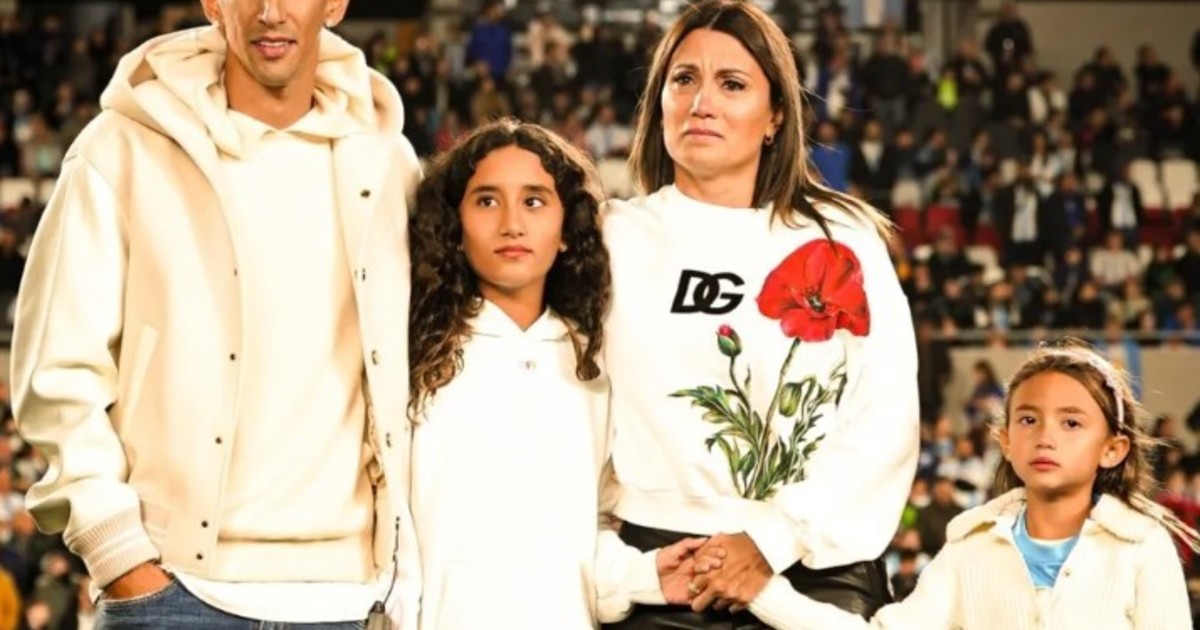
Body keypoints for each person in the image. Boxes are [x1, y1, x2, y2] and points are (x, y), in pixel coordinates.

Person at [10, 0, 421, 627]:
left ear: (336, 4)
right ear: (212, 4)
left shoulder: (389, 164)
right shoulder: (120, 148)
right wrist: (118, 554)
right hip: (173, 591)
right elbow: (58, 366)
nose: (270, 12)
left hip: (352, 596)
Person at [601, 1, 919, 627]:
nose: (702, 102)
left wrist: (773, 539)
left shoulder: (840, 237)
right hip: (661, 570)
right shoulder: (612, 236)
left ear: (775, 115)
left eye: (732, 84)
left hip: (813, 572)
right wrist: (614, 563)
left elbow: (885, 416)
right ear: (659, 103)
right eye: (683, 79)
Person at [406, 118, 703, 629]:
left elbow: (592, 526)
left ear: (567, 230)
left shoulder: (596, 363)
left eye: (534, 201)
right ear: (454, 228)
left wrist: (646, 575)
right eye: (487, 201)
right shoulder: (414, 356)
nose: (512, 224)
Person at [692, 341, 1197, 628]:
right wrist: (762, 590)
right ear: (1005, 440)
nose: (1046, 436)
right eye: (1028, 420)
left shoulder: (1141, 547)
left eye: (1071, 423)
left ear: (1113, 448)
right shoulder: (969, 549)